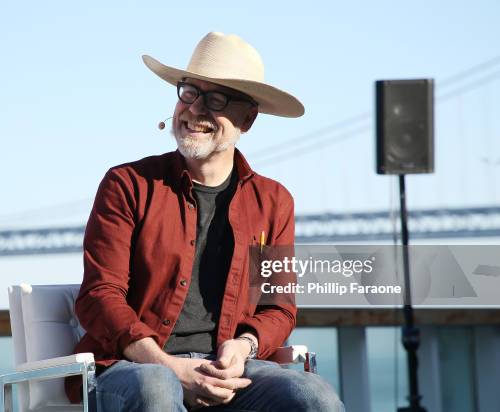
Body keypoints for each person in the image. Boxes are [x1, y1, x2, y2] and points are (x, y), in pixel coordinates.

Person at [65, 32, 344, 411]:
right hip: (134, 367)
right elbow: (100, 295)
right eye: (189, 92)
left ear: (248, 118)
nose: (195, 110)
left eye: (215, 99)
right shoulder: (127, 185)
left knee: (315, 398)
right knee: (158, 388)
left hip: (230, 370)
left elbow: (278, 307)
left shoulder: (274, 202)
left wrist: (242, 347)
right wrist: (169, 365)